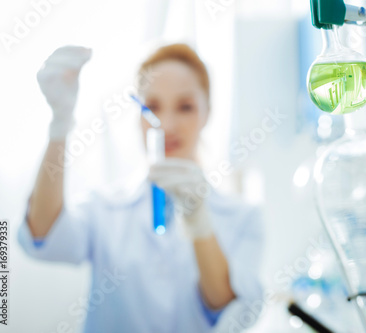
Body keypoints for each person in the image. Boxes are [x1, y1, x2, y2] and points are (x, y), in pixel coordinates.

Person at [18, 44, 264, 333]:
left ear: (207, 112)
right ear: (137, 115)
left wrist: (200, 225)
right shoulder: (105, 207)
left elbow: (227, 309)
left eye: (185, 107)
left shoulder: (243, 216)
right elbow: (44, 235)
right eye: (153, 107)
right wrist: (59, 125)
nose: (167, 124)